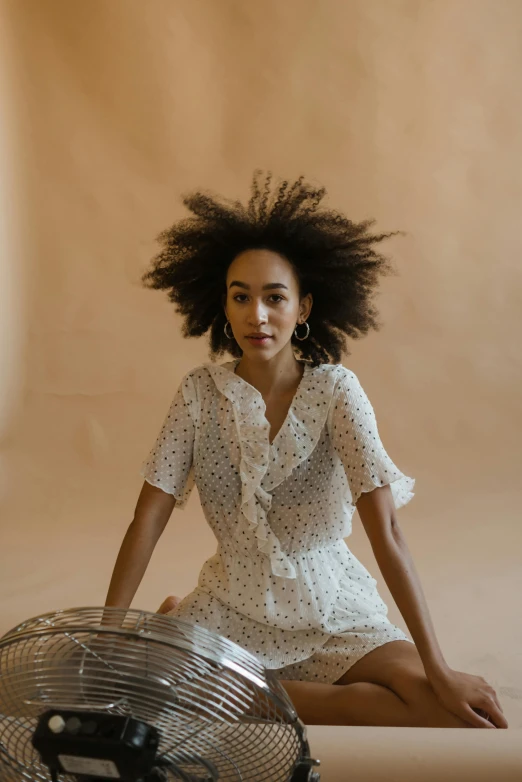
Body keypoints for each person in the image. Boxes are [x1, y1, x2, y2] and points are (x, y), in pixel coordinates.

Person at [105, 171, 507, 729]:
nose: (257, 315)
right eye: (240, 297)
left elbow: (385, 530)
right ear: (222, 305)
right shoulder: (199, 393)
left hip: (331, 608)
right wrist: (106, 628)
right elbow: (147, 518)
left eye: (275, 298)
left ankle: (238, 690)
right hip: (230, 606)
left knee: (443, 708)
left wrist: (438, 668)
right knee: (137, 692)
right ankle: (205, 649)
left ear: (304, 307)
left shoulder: (337, 391)